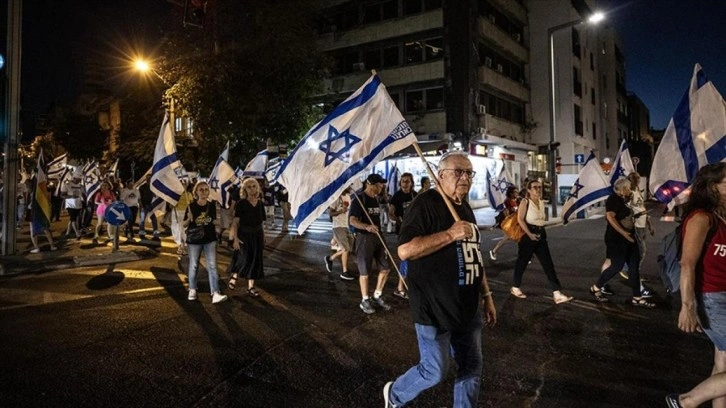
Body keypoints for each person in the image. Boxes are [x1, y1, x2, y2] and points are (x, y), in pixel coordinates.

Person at [384, 151, 497, 408]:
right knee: (434, 371)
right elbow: (405, 250)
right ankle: (395, 395)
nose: (465, 177)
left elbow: (474, 256)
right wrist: (449, 234)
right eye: (458, 172)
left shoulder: (465, 207)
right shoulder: (424, 204)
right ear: (440, 175)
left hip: (467, 306)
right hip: (434, 307)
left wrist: (487, 296)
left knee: (470, 367)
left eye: (469, 172)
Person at [667, 163, 726, 408]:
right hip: (711, 300)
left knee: (723, 363)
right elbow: (687, 264)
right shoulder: (702, 218)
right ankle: (686, 401)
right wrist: (687, 307)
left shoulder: (723, 217)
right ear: (714, 188)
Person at [589, 178, 654, 307]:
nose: (630, 190)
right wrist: (623, 233)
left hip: (630, 235)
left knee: (634, 265)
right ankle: (596, 287)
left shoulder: (624, 200)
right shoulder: (613, 199)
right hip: (617, 238)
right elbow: (610, 217)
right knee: (617, 265)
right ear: (623, 188)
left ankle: (637, 297)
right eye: (628, 187)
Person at [510, 179, 573, 304]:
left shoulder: (541, 202)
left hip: (540, 234)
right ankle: (515, 287)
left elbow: (542, 221)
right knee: (522, 262)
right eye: (535, 187)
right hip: (528, 235)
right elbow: (520, 220)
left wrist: (562, 219)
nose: (538, 189)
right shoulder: (525, 201)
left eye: (539, 187)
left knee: (548, 264)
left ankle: (557, 293)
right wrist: (529, 234)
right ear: (528, 190)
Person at [349, 173, 392, 314]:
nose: (382, 187)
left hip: (378, 236)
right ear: (370, 184)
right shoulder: (359, 199)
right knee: (365, 272)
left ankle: (377, 295)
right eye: (379, 184)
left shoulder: (377, 199)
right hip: (364, 238)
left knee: (385, 267)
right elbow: (352, 220)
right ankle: (365, 299)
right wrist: (366, 226)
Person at [183, 180, 228, 304]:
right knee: (194, 265)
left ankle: (215, 292)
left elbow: (216, 222)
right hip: (194, 240)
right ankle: (192, 289)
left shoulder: (212, 205)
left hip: (209, 239)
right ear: (196, 192)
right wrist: (188, 219)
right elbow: (184, 224)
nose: (204, 192)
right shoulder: (191, 206)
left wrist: (218, 219)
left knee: (212, 265)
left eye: (206, 189)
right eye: (201, 189)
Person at [228, 178, 266, 297]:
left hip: (257, 235)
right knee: (243, 258)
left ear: (257, 188)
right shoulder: (241, 203)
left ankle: (251, 287)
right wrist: (235, 238)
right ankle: (234, 274)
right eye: (249, 187)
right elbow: (235, 222)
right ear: (244, 190)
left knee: (255, 261)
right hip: (244, 235)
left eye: (254, 186)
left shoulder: (260, 204)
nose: (252, 189)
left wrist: (263, 236)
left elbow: (261, 223)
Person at [388, 172, 417, 299]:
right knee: (406, 258)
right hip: (403, 232)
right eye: (403, 181)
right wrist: (399, 220)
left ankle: (411, 285)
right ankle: (400, 287)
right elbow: (390, 214)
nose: (405, 183)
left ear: (411, 183)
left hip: (417, 231)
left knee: (416, 258)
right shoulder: (396, 197)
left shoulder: (415, 196)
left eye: (407, 181)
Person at [324, 186, 355, 281]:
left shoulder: (348, 196)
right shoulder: (336, 197)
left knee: (348, 249)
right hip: (338, 226)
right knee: (345, 248)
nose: (351, 186)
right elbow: (330, 213)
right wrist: (341, 211)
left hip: (347, 225)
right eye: (349, 184)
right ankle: (344, 271)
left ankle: (330, 259)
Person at [489, 185, 519, 261]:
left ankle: (525, 255)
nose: (517, 193)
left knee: (520, 237)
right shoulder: (507, 201)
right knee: (507, 238)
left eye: (517, 191)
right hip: (511, 224)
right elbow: (507, 213)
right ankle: (493, 251)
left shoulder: (516, 200)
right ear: (511, 193)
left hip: (517, 223)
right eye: (515, 192)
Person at [171, 181, 193, 255]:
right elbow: (171, 205)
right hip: (176, 213)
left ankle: (181, 247)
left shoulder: (188, 194)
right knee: (177, 230)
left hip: (185, 213)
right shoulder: (175, 195)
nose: (183, 186)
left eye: (184, 185)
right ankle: (180, 246)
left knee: (183, 230)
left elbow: (191, 204)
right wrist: (173, 203)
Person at [63, 173, 84, 240]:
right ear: (74, 178)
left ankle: (67, 232)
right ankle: (77, 233)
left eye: (79, 180)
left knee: (72, 219)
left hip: (78, 205)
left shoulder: (80, 186)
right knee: (73, 219)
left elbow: (82, 194)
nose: (79, 181)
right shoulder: (67, 185)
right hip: (70, 205)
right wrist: (71, 196)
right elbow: (62, 195)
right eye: (78, 179)